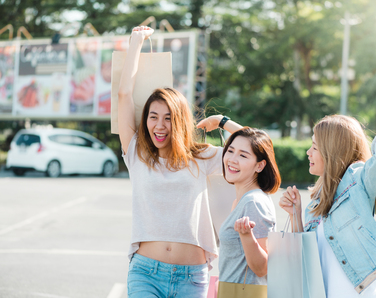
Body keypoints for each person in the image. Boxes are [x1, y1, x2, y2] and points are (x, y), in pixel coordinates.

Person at [118, 26, 243, 298]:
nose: (160, 125)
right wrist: (135, 44)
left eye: (168, 118)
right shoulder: (136, 154)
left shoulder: (201, 156)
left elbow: (255, 147)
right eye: (153, 116)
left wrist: (222, 122)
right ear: (145, 120)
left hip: (192, 277)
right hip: (145, 274)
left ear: (180, 121)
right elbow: (124, 95)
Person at [279, 71, 376, 297]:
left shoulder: (357, 181)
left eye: (315, 147)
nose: (308, 152)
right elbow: (306, 256)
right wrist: (295, 214)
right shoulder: (317, 198)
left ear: (332, 151)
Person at [217, 127, 281, 289]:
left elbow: (262, 268)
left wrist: (246, 236)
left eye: (243, 155)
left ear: (259, 166)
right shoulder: (242, 201)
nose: (232, 159)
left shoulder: (253, 202)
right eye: (230, 151)